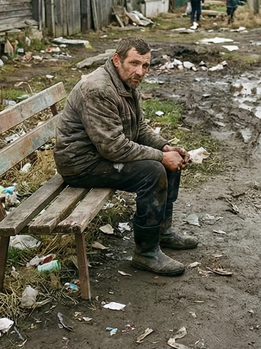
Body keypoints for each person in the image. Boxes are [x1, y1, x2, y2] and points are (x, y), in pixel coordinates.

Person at [54, 38, 196, 276]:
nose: (140, 71)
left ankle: (162, 231)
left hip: (99, 155)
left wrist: (166, 147)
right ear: (117, 60)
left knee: (168, 160)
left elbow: (139, 128)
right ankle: (146, 253)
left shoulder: (126, 82)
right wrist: (161, 158)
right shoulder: (99, 89)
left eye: (145, 65)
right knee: (154, 171)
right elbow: (113, 148)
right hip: (80, 164)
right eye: (134, 63)